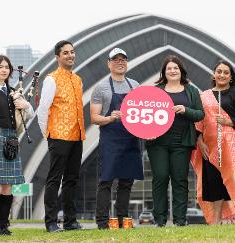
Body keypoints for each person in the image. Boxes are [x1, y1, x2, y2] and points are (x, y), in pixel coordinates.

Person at [191, 60, 235, 225]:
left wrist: (229, 122)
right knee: (214, 183)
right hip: (209, 146)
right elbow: (198, 122)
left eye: (226, 72)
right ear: (214, 74)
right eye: (219, 71)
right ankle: (216, 220)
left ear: (231, 77)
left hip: (232, 145)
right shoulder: (204, 96)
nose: (222, 75)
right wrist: (200, 141)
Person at [146, 55, 204, 227]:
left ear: (181, 71)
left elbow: (200, 114)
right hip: (158, 142)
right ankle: (160, 220)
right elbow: (145, 117)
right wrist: (147, 133)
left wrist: (185, 110)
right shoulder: (155, 90)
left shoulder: (191, 91)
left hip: (182, 142)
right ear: (164, 72)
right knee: (160, 178)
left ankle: (180, 220)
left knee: (180, 179)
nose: (172, 71)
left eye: (175, 68)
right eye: (169, 68)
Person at [0, 55, 34, 237]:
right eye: (0, 67)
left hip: (11, 139)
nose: (4, 70)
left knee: (8, 187)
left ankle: (4, 226)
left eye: (7, 67)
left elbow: (30, 113)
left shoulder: (12, 92)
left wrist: (25, 104)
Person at [90, 48, 143, 229]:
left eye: (123, 59)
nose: (120, 62)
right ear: (109, 63)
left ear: (127, 63)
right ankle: (102, 221)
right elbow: (94, 118)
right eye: (116, 59)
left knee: (126, 181)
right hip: (110, 139)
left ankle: (123, 220)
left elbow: (142, 114)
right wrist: (110, 118)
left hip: (131, 139)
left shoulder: (135, 85)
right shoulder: (101, 87)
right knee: (106, 180)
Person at [37, 40, 85, 232]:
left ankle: (70, 221)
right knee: (54, 179)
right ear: (58, 57)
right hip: (58, 136)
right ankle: (50, 222)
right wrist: (47, 135)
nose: (70, 55)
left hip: (77, 135)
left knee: (72, 179)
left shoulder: (78, 80)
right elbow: (43, 110)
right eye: (66, 53)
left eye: (72, 52)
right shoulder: (51, 79)